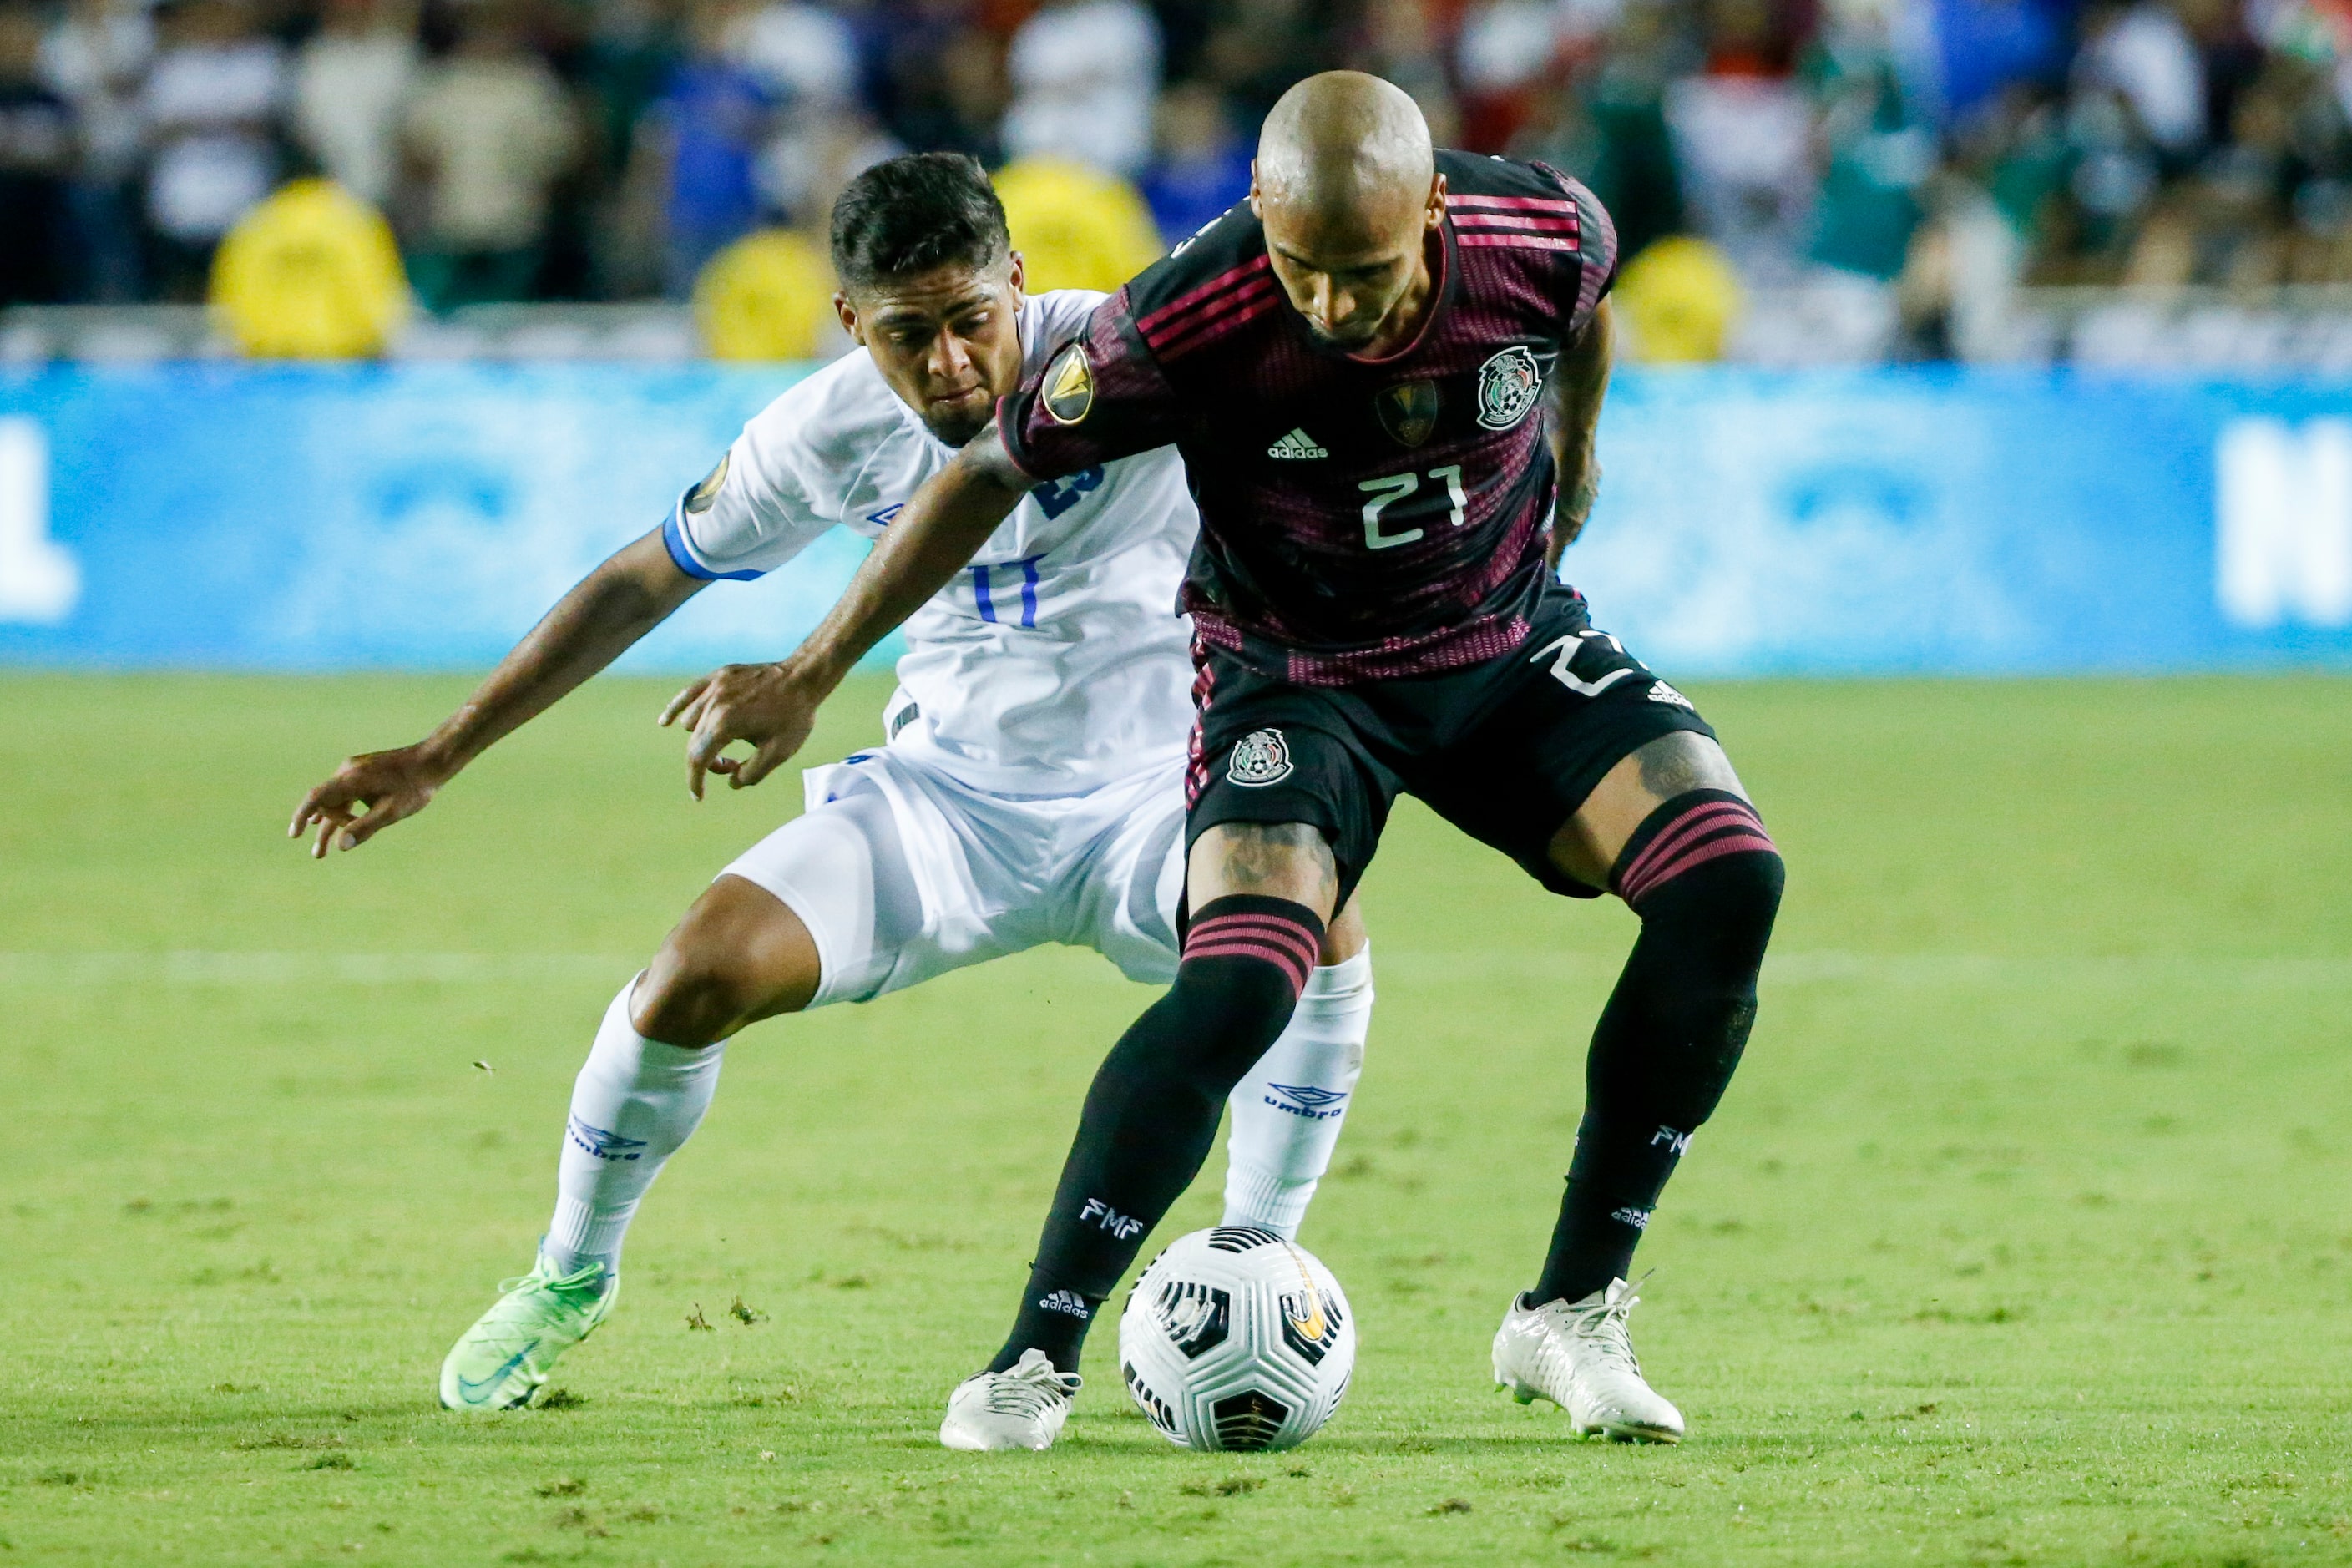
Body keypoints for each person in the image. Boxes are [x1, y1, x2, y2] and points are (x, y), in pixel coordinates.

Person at [703, 72, 1783, 1451]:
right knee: (1239, 983)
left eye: (1369, 273)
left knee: (1727, 875)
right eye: (1303, 272)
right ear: (1257, 215)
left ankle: (1569, 1308)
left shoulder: (1544, 226)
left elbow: (1584, 308)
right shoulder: (1185, 315)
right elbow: (985, 469)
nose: (1333, 307)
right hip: (1299, 678)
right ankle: (1037, 1353)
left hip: (1502, 638)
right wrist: (812, 665)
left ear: (1437, 210)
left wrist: (1573, 443)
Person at [286, 151, 1377, 1415]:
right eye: (909, 335)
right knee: (693, 974)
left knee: (1317, 910)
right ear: (852, 321)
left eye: (974, 320)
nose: (953, 364)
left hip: (1158, 794)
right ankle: (568, 1276)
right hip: (948, 806)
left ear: (1017, 281)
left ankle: (1249, 1249)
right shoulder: (825, 431)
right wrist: (442, 749)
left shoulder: (1137, 353)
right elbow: (647, 575)